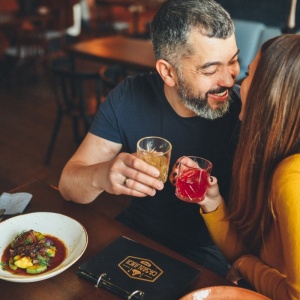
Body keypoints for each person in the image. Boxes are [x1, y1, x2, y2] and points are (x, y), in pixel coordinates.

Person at [58, 0, 241, 276]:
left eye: (234, 61)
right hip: (135, 232)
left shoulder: (243, 110)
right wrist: (103, 174)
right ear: (168, 72)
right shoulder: (129, 96)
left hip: (209, 249)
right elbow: (68, 185)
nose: (229, 80)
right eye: (210, 70)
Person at [179, 34, 300, 298]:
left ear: (271, 93)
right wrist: (212, 202)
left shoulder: (292, 177)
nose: (238, 84)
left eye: (247, 75)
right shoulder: (275, 160)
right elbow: (245, 254)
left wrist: (245, 266)